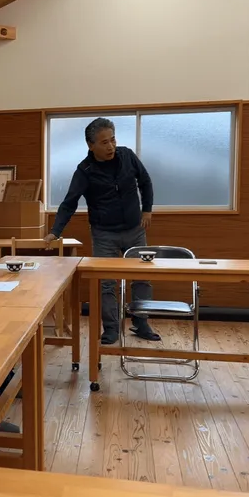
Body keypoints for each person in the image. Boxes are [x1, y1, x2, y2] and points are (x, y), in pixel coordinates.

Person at [44, 117, 159, 344]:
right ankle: (111, 328)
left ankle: (141, 322)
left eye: (113, 140)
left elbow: (145, 181)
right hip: (104, 234)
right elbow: (69, 203)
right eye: (104, 142)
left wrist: (147, 210)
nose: (111, 146)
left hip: (135, 229)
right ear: (91, 145)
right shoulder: (84, 170)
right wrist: (55, 231)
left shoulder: (127, 156)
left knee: (142, 278)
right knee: (106, 283)